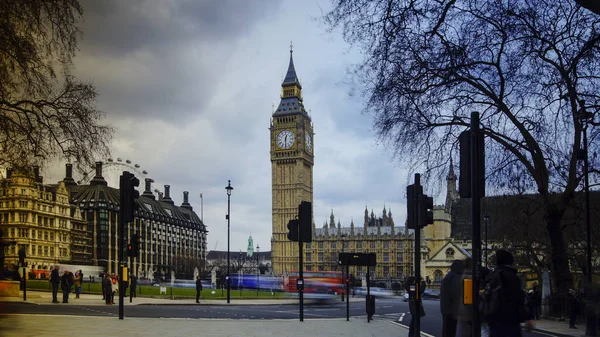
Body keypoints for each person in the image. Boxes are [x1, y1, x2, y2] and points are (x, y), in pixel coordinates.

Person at [485, 249, 530, 337]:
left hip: (494, 320)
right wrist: (526, 317)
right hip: (510, 320)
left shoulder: (491, 277)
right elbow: (518, 299)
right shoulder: (512, 277)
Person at [440, 259, 465, 337]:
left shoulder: (449, 276)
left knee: (447, 330)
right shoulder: (455, 277)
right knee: (450, 331)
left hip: (447, 309)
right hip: (451, 310)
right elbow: (457, 293)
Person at [456, 257, 473, 337]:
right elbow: (468, 298)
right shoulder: (469, 277)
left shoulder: (462, 275)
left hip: (462, 310)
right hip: (468, 312)